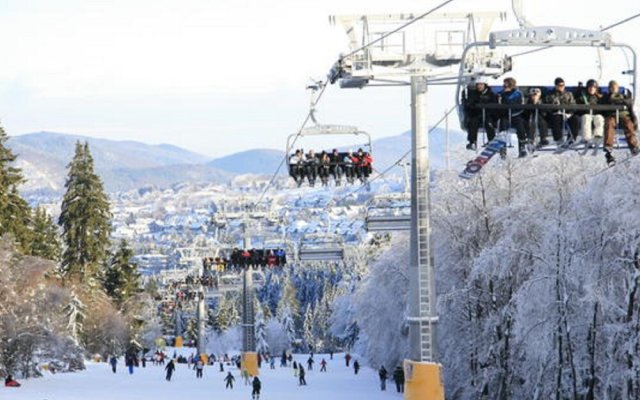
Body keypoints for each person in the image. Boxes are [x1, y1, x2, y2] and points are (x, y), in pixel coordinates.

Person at [603, 80, 639, 165]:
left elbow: (629, 102)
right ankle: (608, 146)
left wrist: (620, 102)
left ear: (617, 88)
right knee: (609, 124)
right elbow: (604, 102)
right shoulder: (606, 97)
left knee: (628, 125)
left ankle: (633, 145)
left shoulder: (623, 96)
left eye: (614, 87)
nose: (613, 89)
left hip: (623, 115)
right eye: (611, 87)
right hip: (611, 115)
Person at [544, 77, 579, 146]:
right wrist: (555, 109)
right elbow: (547, 105)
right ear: (556, 86)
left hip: (567, 113)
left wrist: (569, 112)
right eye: (560, 86)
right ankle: (558, 139)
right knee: (556, 119)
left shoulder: (568, 94)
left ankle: (571, 139)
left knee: (575, 119)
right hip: (555, 114)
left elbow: (573, 105)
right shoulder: (550, 95)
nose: (562, 87)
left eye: (563, 85)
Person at [464, 79, 498, 150]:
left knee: (489, 123)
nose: (479, 86)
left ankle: (491, 140)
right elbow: (470, 103)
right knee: (473, 122)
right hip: (477, 114)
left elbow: (494, 105)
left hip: (488, 114)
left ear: (485, 85)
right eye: (478, 85)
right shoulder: (474, 94)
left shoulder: (491, 94)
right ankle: (472, 141)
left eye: (481, 85)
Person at [498, 77, 528, 157]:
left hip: (516, 114)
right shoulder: (501, 93)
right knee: (503, 128)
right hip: (506, 115)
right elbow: (499, 103)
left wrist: (515, 109)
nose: (505, 86)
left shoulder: (518, 93)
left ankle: (522, 147)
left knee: (521, 128)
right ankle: (502, 149)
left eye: (507, 84)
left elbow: (521, 104)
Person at [576, 79, 604, 148]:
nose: (592, 89)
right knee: (586, 117)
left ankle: (597, 137)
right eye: (590, 87)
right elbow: (577, 105)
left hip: (596, 114)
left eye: (594, 87)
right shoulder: (582, 96)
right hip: (586, 114)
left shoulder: (599, 97)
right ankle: (587, 139)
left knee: (599, 118)